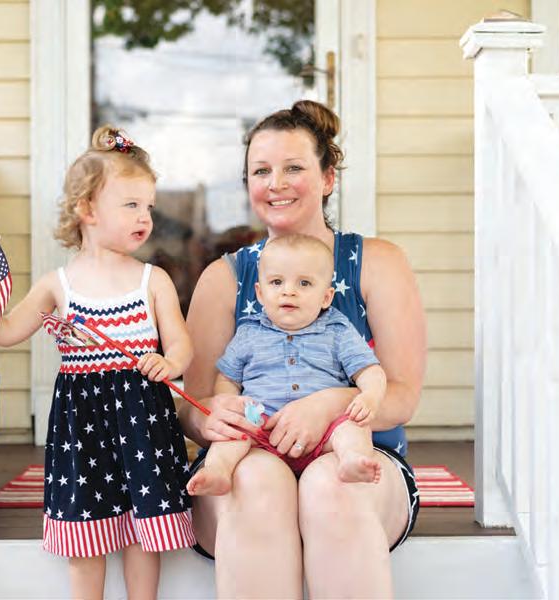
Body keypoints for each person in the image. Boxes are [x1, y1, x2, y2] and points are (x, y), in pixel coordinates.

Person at [0, 126, 196, 600]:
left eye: (149, 207)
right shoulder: (58, 284)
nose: (145, 217)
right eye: (131, 204)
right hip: (82, 425)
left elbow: (182, 345)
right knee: (85, 533)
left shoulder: (152, 280)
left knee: (144, 529)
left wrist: (167, 362)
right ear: (87, 209)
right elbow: (3, 330)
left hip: (142, 421)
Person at [180, 99, 426, 598]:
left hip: (362, 458)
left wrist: (329, 406)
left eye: (294, 168)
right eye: (261, 171)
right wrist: (214, 417)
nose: (276, 183)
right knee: (256, 485)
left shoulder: (376, 263)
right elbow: (193, 407)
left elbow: (401, 395)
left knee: (332, 487)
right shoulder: (224, 278)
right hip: (249, 455)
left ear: (328, 177)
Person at [186, 233, 386, 498]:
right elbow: (228, 378)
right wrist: (229, 403)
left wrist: (371, 395)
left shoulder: (337, 330)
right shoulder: (249, 332)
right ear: (260, 293)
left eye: (304, 283)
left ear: (326, 297)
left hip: (323, 433)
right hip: (262, 427)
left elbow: (369, 370)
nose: (288, 291)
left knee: (353, 427)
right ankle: (218, 470)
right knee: (233, 434)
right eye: (277, 282)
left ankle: (352, 460)